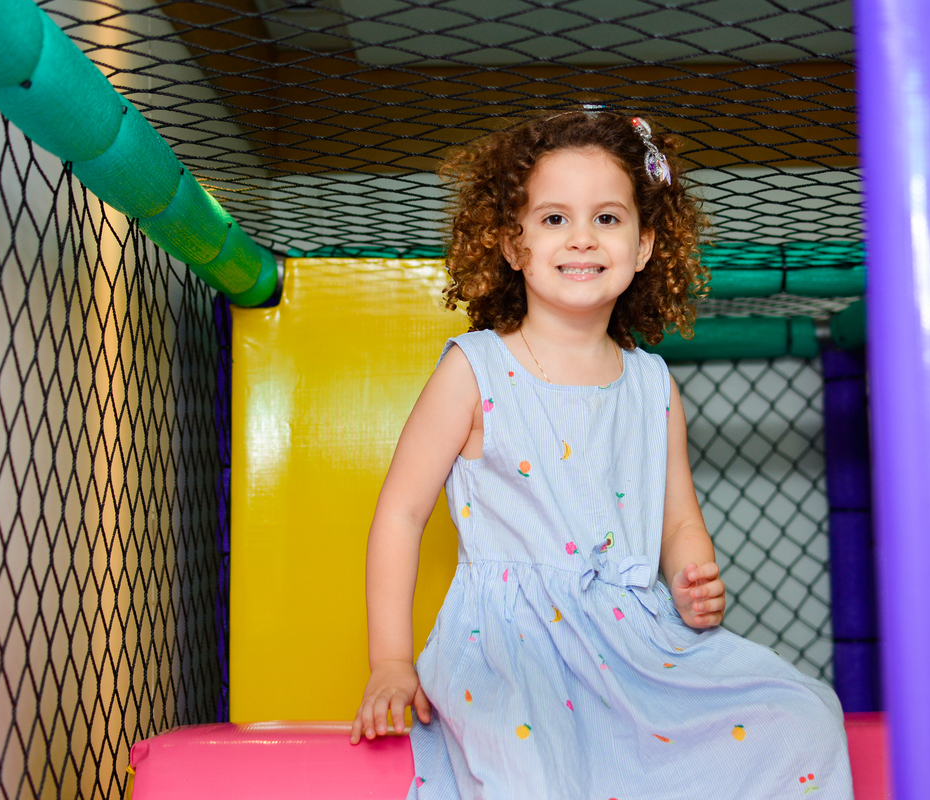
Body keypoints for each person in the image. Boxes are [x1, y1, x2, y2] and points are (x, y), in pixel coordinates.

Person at [350, 110, 853, 799]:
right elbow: (401, 515)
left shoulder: (652, 386)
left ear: (645, 245)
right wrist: (390, 661)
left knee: (804, 715)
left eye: (608, 219)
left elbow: (678, 520)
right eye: (553, 218)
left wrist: (692, 578)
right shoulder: (476, 370)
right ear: (511, 242)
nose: (582, 237)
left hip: (635, 644)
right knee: (530, 769)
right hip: (511, 648)